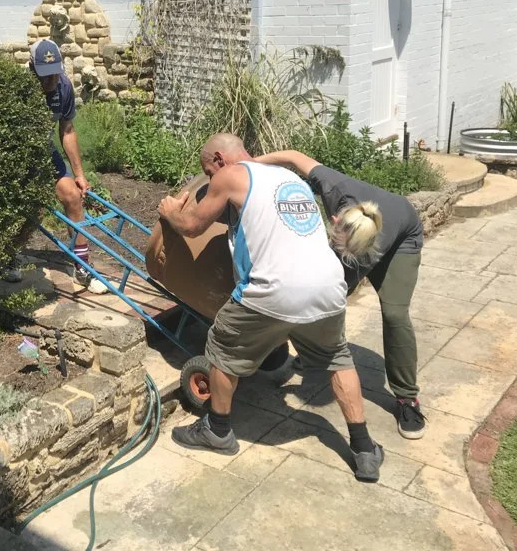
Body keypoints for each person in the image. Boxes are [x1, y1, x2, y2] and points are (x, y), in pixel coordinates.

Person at [159, 133, 385, 482]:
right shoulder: (288, 179)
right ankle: (364, 449)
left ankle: (217, 430)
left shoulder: (229, 175)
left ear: (219, 159)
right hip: (328, 285)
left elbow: (191, 226)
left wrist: (171, 212)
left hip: (272, 289)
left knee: (221, 347)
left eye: (208, 171)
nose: (210, 178)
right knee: (337, 358)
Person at [255, 149, 426, 439]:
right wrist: (249, 164)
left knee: (394, 314)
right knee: (322, 292)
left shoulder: (368, 250)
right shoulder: (335, 186)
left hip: (403, 238)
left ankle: (407, 398)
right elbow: (294, 157)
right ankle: (315, 353)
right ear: (335, 220)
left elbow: (332, 293)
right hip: (366, 231)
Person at [4, 38, 101, 290]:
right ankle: (9, 257)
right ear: (32, 69)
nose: (51, 81)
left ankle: (82, 267)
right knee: (23, 205)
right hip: (15, 153)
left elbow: (67, 130)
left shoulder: (64, 87)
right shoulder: (16, 89)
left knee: (73, 196)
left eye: (55, 73)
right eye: (45, 75)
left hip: (44, 150)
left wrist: (79, 174)